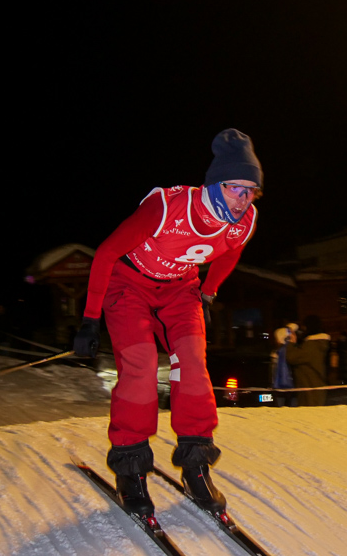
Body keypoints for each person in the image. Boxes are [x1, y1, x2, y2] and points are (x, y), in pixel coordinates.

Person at [72, 128, 262, 519]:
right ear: (215, 185)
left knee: (192, 363)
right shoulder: (167, 207)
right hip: (129, 284)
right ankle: (131, 468)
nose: (243, 199)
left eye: (251, 191)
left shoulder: (244, 222)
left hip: (180, 289)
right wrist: (90, 320)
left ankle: (196, 465)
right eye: (235, 188)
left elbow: (230, 254)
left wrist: (207, 294)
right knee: (141, 365)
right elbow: (106, 254)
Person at [286, 315, 329, 406]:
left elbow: (292, 357)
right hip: (313, 386)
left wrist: (291, 343)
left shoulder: (312, 345)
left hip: (310, 388)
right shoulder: (316, 343)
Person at [271, 326, 297, 407]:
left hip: (279, 387)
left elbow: (273, 373)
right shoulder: (290, 351)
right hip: (290, 386)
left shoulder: (276, 353)